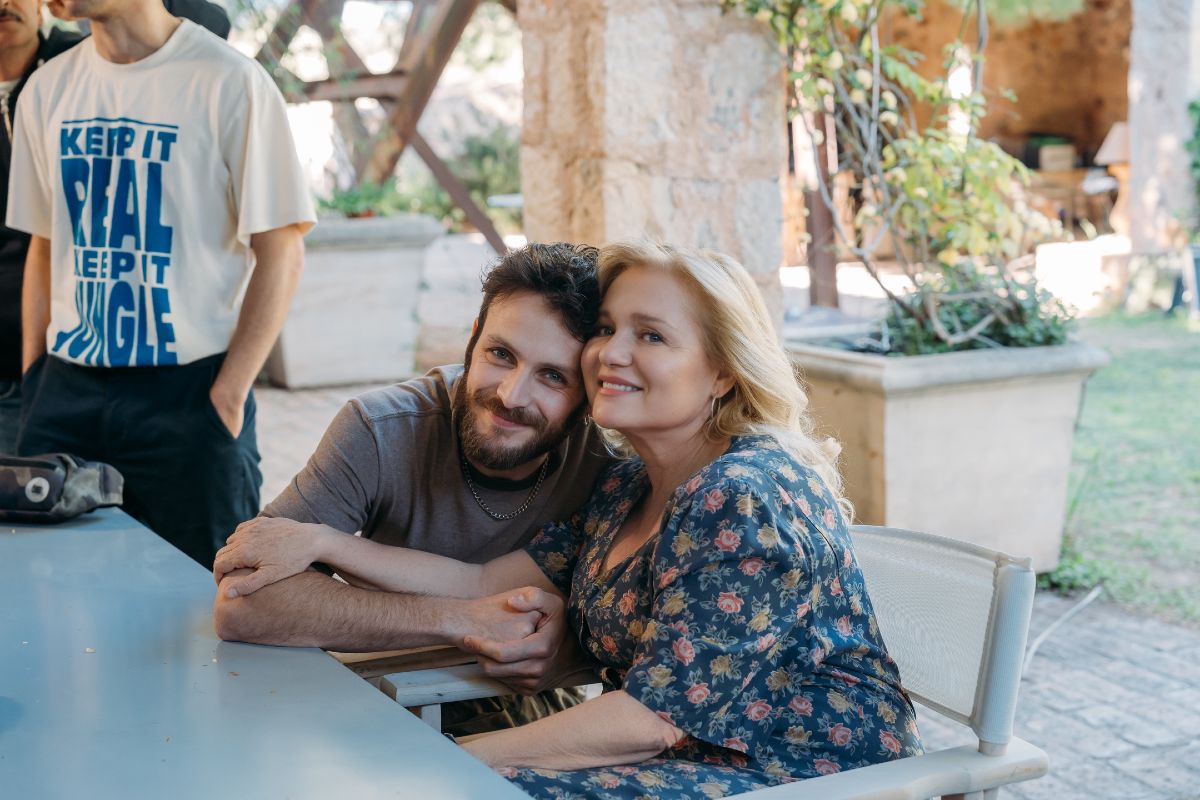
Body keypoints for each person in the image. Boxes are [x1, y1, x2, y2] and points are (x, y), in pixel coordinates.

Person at [214, 241, 925, 797]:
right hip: (678, 759)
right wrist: (325, 542)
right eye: (609, 329)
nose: (613, 353)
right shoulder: (626, 487)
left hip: (799, 774)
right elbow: (480, 583)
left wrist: (447, 761)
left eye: (651, 336)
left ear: (721, 372)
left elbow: (651, 720)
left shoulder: (740, 493)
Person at [213, 242, 613, 734]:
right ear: (473, 338)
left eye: (553, 376)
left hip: (531, 702)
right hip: (380, 697)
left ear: (591, 390)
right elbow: (243, 603)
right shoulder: (381, 429)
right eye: (500, 354)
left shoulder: (609, 466)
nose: (511, 395)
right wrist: (461, 620)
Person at [6, 0, 314, 565]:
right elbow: (44, 245)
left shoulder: (230, 81)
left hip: (191, 395)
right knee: (52, 587)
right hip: (64, 393)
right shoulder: (47, 89)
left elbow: (282, 250)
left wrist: (228, 395)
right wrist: (35, 378)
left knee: (200, 597)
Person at [0, 0, 229, 455]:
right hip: (45, 375)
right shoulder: (56, 83)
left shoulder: (86, 60)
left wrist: (231, 392)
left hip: (107, 364)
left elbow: (206, 22)